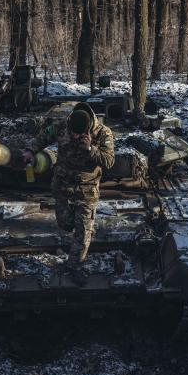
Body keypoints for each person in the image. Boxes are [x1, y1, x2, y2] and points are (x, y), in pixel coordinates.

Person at [22, 108, 115, 285]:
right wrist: (30, 150)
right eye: (71, 133)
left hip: (86, 189)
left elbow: (109, 162)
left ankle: (75, 265)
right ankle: (81, 229)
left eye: (78, 135)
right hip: (62, 186)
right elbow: (43, 137)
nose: (73, 137)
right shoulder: (62, 125)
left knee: (82, 230)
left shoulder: (104, 133)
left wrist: (90, 149)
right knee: (65, 223)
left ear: (88, 130)